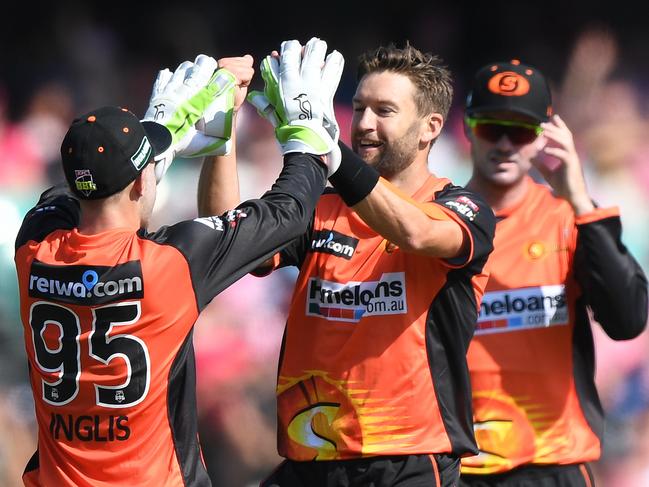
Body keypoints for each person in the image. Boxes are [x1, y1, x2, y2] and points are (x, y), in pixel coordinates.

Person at [13, 43, 343, 487]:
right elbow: (287, 212)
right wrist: (307, 136)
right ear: (144, 180)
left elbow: (59, 199)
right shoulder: (171, 263)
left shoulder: (33, 249)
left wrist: (154, 138)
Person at [201, 39, 496, 486]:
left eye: (384, 111)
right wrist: (222, 130)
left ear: (430, 127)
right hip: (311, 458)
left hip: (407, 460)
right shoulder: (320, 206)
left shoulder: (460, 207)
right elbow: (227, 235)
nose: (364, 124)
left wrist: (332, 154)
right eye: (358, 108)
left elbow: (414, 232)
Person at [458, 60, 649, 486]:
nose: (506, 144)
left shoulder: (570, 218)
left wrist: (578, 198)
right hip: (460, 466)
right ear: (469, 127)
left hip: (554, 463)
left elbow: (628, 318)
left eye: (521, 130)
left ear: (545, 138)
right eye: (492, 127)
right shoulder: (438, 223)